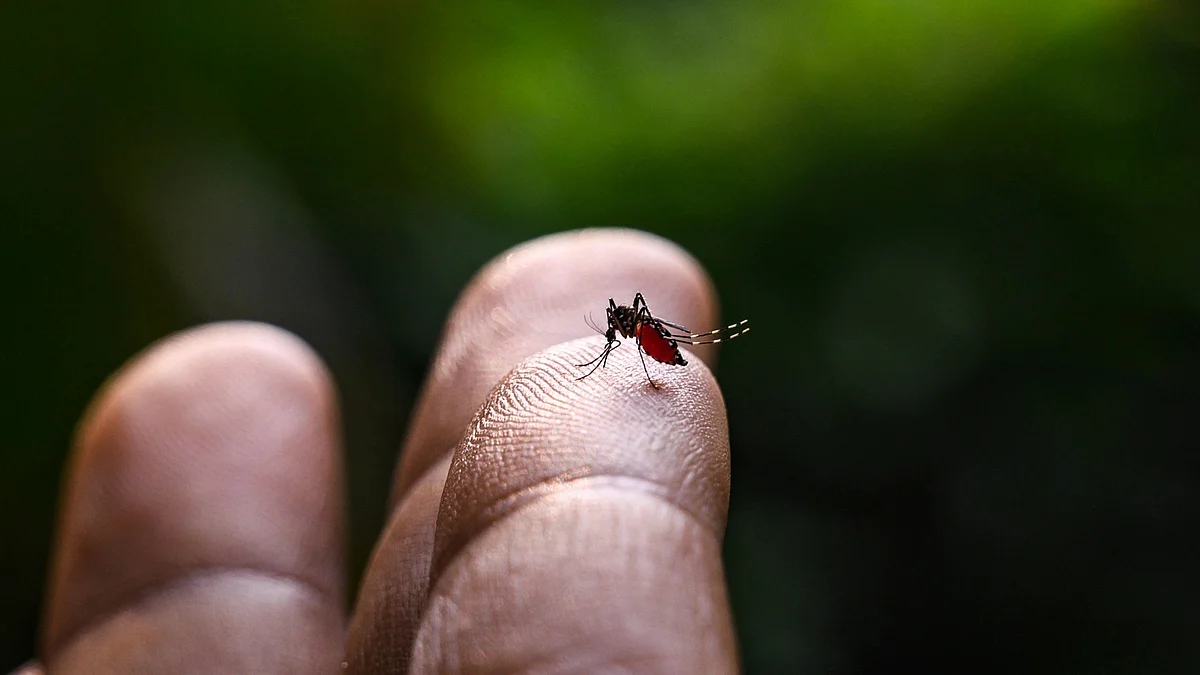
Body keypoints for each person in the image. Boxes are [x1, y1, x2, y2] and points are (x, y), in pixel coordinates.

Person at [21, 229, 740, 674]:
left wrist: (649, 349)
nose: (621, 325)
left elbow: (633, 327)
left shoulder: (634, 329)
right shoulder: (618, 327)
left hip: (652, 366)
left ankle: (690, 347)